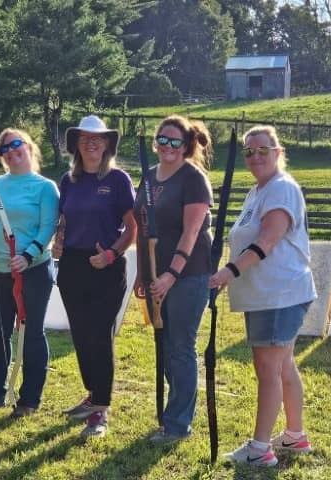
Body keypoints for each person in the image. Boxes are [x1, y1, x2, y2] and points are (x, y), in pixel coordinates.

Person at [209, 125, 316, 467]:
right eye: (249, 151)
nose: (255, 156)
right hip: (269, 294)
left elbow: (268, 241)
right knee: (283, 365)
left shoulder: (281, 188)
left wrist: (229, 271)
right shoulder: (259, 190)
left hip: (279, 294)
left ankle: (259, 449)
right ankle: (295, 437)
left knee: (267, 369)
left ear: (278, 152)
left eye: (262, 150)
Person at [52, 115, 136, 438]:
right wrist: (59, 240)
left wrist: (111, 254)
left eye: (98, 138)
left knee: (100, 336)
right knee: (81, 335)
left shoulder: (117, 179)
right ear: (77, 144)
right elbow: (64, 219)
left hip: (107, 264)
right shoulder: (67, 180)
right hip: (73, 265)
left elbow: (132, 228)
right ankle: (92, 394)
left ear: (107, 144)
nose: (91, 143)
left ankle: (100, 410)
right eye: (85, 138)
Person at [134, 114, 214, 443]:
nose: (167, 146)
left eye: (174, 141)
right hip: (156, 275)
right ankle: (173, 414)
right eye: (162, 140)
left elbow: (192, 232)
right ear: (156, 143)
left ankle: (178, 424)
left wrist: (171, 274)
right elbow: (142, 228)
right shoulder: (149, 177)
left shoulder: (193, 179)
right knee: (166, 346)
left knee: (181, 346)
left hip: (189, 274)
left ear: (186, 146)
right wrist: (143, 272)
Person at [0, 128, 59, 418]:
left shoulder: (45, 187)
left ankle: (29, 400)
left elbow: (48, 227)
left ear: (29, 147)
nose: (11, 150)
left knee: (31, 333)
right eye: (5, 148)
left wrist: (28, 254)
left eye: (16, 144)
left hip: (32, 271)